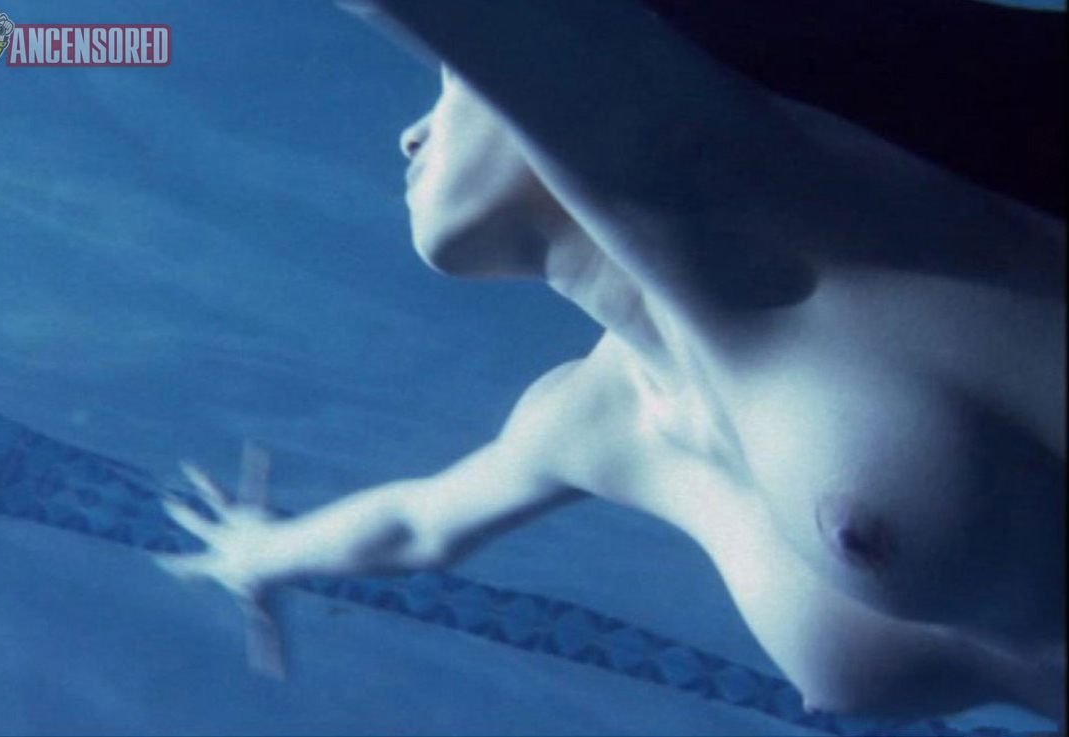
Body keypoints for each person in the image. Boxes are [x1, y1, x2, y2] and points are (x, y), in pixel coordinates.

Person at [157, 0, 1065, 726]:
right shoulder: (597, 420)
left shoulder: (793, 223)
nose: (410, 135)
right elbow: (415, 525)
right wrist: (259, 553)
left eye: (451, 83)